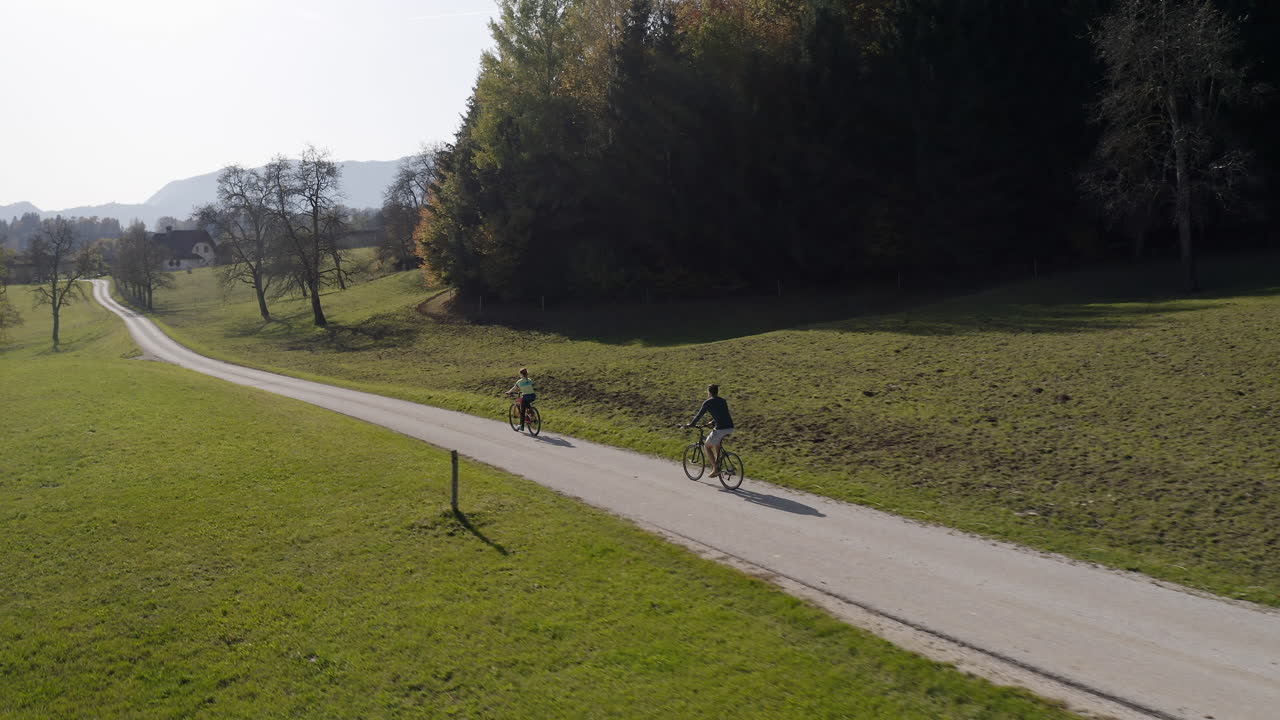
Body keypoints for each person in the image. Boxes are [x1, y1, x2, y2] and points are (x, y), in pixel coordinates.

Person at [685, 384, 734, 478]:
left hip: (721, 429)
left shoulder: (707, 402)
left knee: (707, 446)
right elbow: (723, 415)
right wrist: (712, 422)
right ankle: (718, 463)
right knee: (716, 443)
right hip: (730, 428)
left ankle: (715, 469)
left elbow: (699, 415)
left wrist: (691, 424)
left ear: (709, 392)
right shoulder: (723, 401)